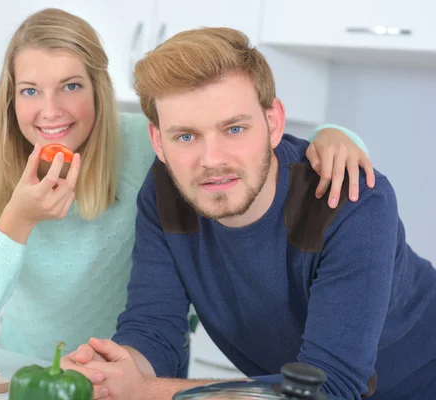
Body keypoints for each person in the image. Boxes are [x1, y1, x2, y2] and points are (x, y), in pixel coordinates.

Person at [0, 8, 374, 365]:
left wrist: (335, 135)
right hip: (29, 371)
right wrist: (16, 222)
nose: (51, 110)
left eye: (71, 85)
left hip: (142, 371)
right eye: (31, 90)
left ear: (98, 87)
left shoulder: (144, 143)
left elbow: (244, 137)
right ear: (10, 97)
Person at [61, 27, 436, 400]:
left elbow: (329, 387)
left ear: (273, 123)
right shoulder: (165, 193)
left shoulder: (350, 200)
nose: (212, 160)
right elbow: (153, 328)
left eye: (234, 128)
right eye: (186, 137)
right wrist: (111, 371)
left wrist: (146, 390)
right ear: (159, 141)